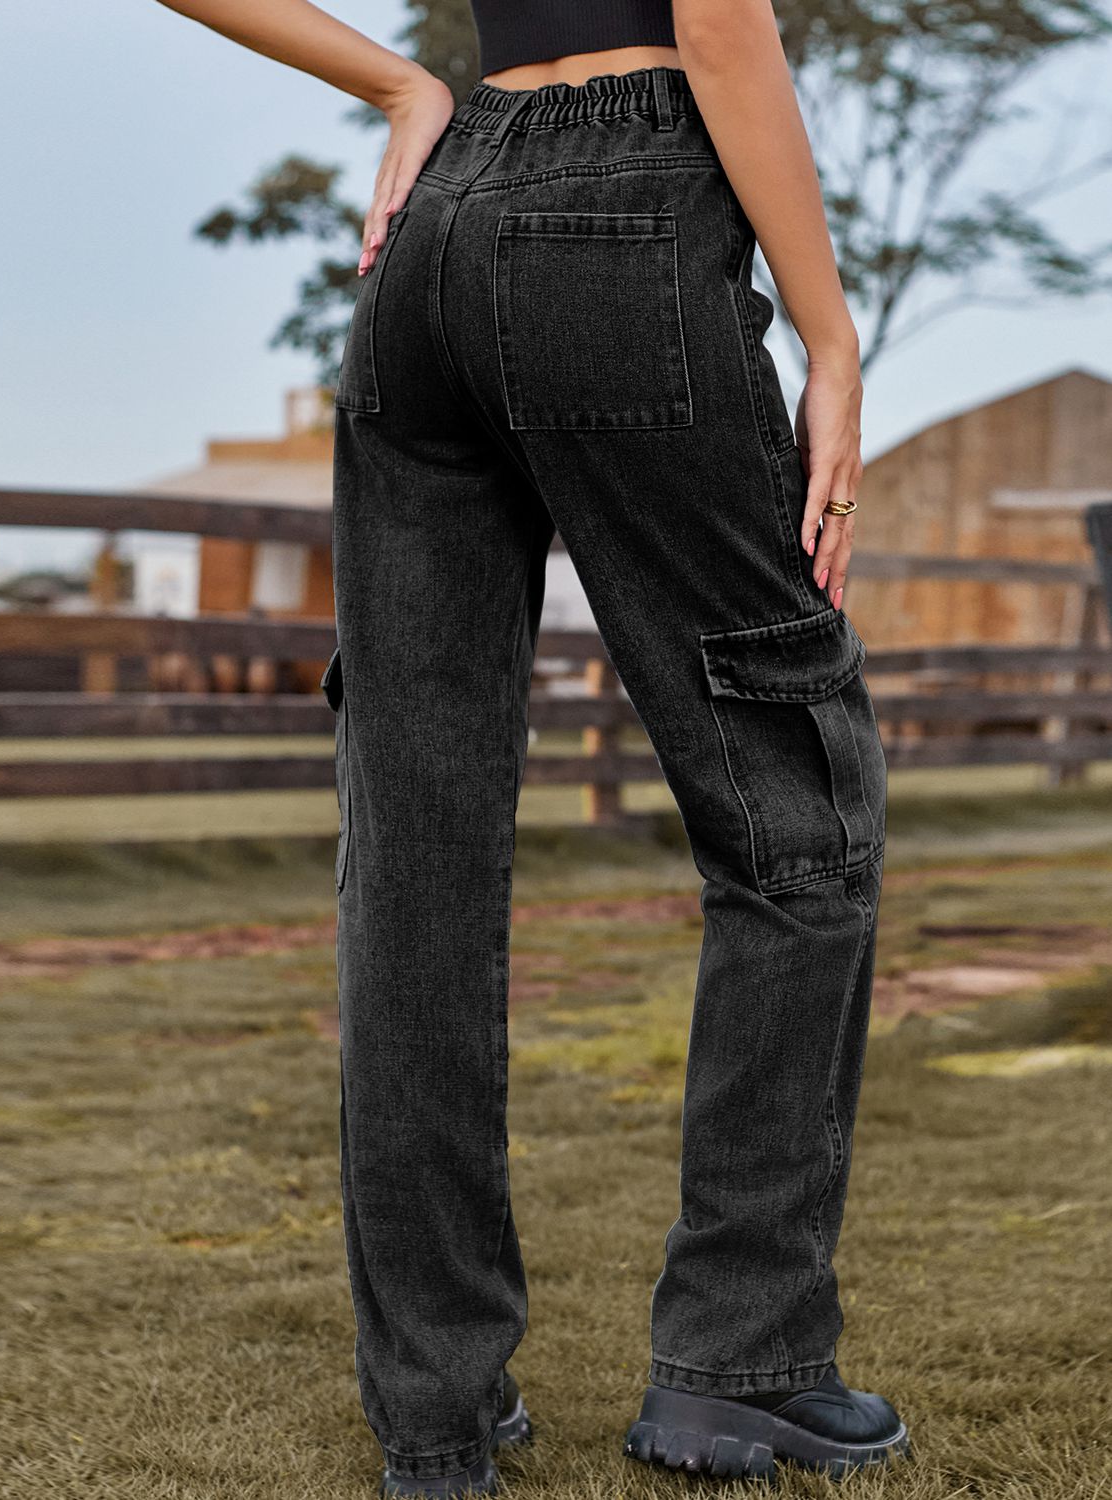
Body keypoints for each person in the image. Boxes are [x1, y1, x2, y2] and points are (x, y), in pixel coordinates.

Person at [157, 1, 912, 1493]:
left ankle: (433, 1418)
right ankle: (740, 1366)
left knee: (414, 861)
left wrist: (393, 86)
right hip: (629, 208)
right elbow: (721, 28)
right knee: (791, 808)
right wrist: (828, 338)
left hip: (430, 241)